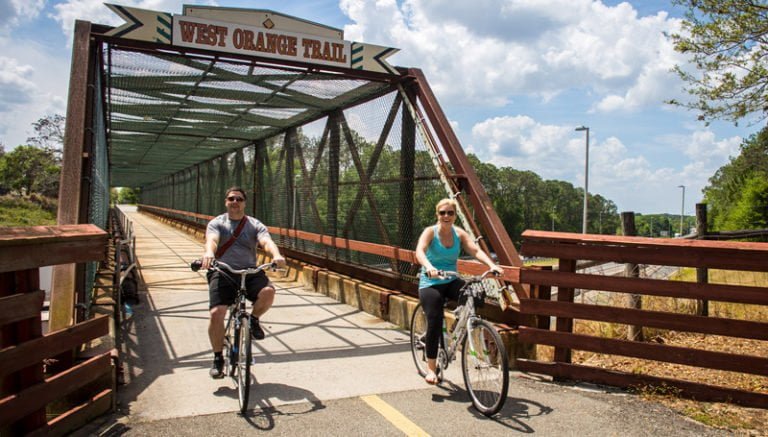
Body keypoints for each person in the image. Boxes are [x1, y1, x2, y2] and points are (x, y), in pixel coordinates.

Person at [414, 198, 503, 384]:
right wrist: (429, 267)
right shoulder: (430, 232)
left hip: (451, 279)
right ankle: (431, 369)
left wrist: (491, 265)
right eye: (442, 213)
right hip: (431, 282)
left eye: (450, 213)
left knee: (474, 294)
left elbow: (475, 251)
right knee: (435, 319)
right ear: (437, 214)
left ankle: (457, 328)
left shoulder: (459, 233)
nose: (446, 216)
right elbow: (420, 251)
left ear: (455, 215)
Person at [201, 186, 286, 379]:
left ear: (244, 203)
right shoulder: (217, 223)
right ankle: (217, 358)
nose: (235, 202)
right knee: (217, 313)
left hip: (249, 271)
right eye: (231, 199)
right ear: (226, 202)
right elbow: (212, 240)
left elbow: (266, 241)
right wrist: (209, 253)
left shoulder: (254, 224)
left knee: (268, 292)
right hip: (223, 271)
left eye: (239, 199)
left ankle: (254, 319)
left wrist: (276, 255)